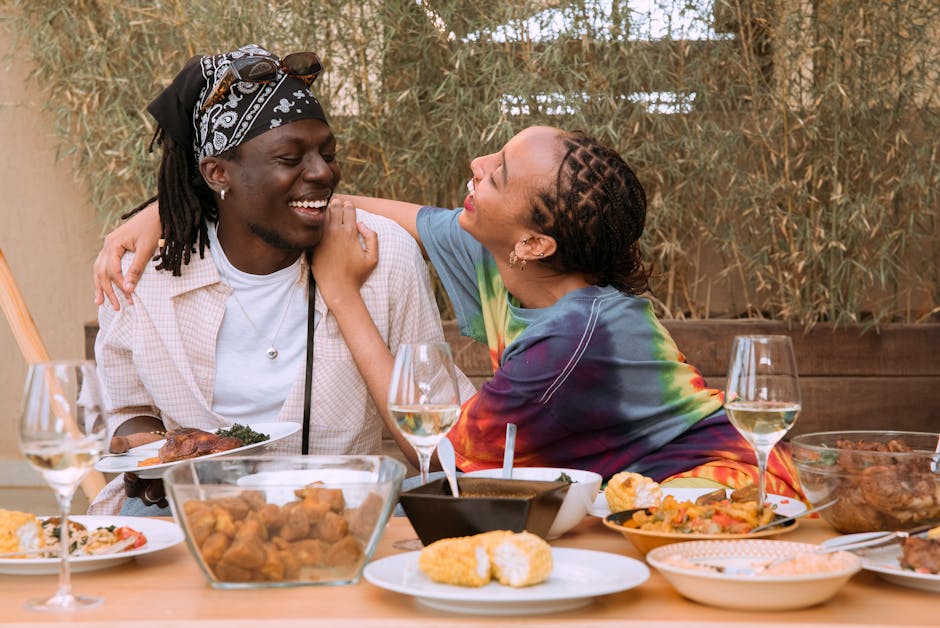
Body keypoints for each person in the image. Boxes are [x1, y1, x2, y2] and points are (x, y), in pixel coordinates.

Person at [96, 126, 803, 499]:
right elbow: (348, 205)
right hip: (635, 508)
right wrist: (175, 208)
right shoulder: (504, 260)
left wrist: (342, 293)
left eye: (495, 174)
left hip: (724, 501)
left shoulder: (576, 338)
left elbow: (448, 455)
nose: (475, 161)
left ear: (533, 238)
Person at [89, 43, 470, 516]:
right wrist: (147, 452)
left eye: (327, 153)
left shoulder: (383, 253)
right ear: (217, 173)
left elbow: (440, 443)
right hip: (195, 511)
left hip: (351, 512)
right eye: (291, 159)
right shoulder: (143, 273)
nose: (323, 172)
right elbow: (129, 412)